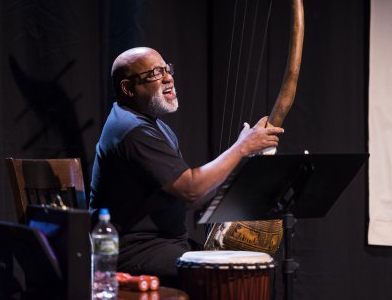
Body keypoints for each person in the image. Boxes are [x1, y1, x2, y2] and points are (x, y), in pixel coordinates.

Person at [89, 47, 284, 286]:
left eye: (166, 70)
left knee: (255, 267)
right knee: (230, 276)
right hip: (134, 252)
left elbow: (190, 199)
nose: (168, 78)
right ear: (128, 89)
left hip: (165, 244)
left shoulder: (153, 125)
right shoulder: (131, 130)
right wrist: (242, 148)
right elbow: (191, 188)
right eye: (154, 74)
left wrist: (242, 164)